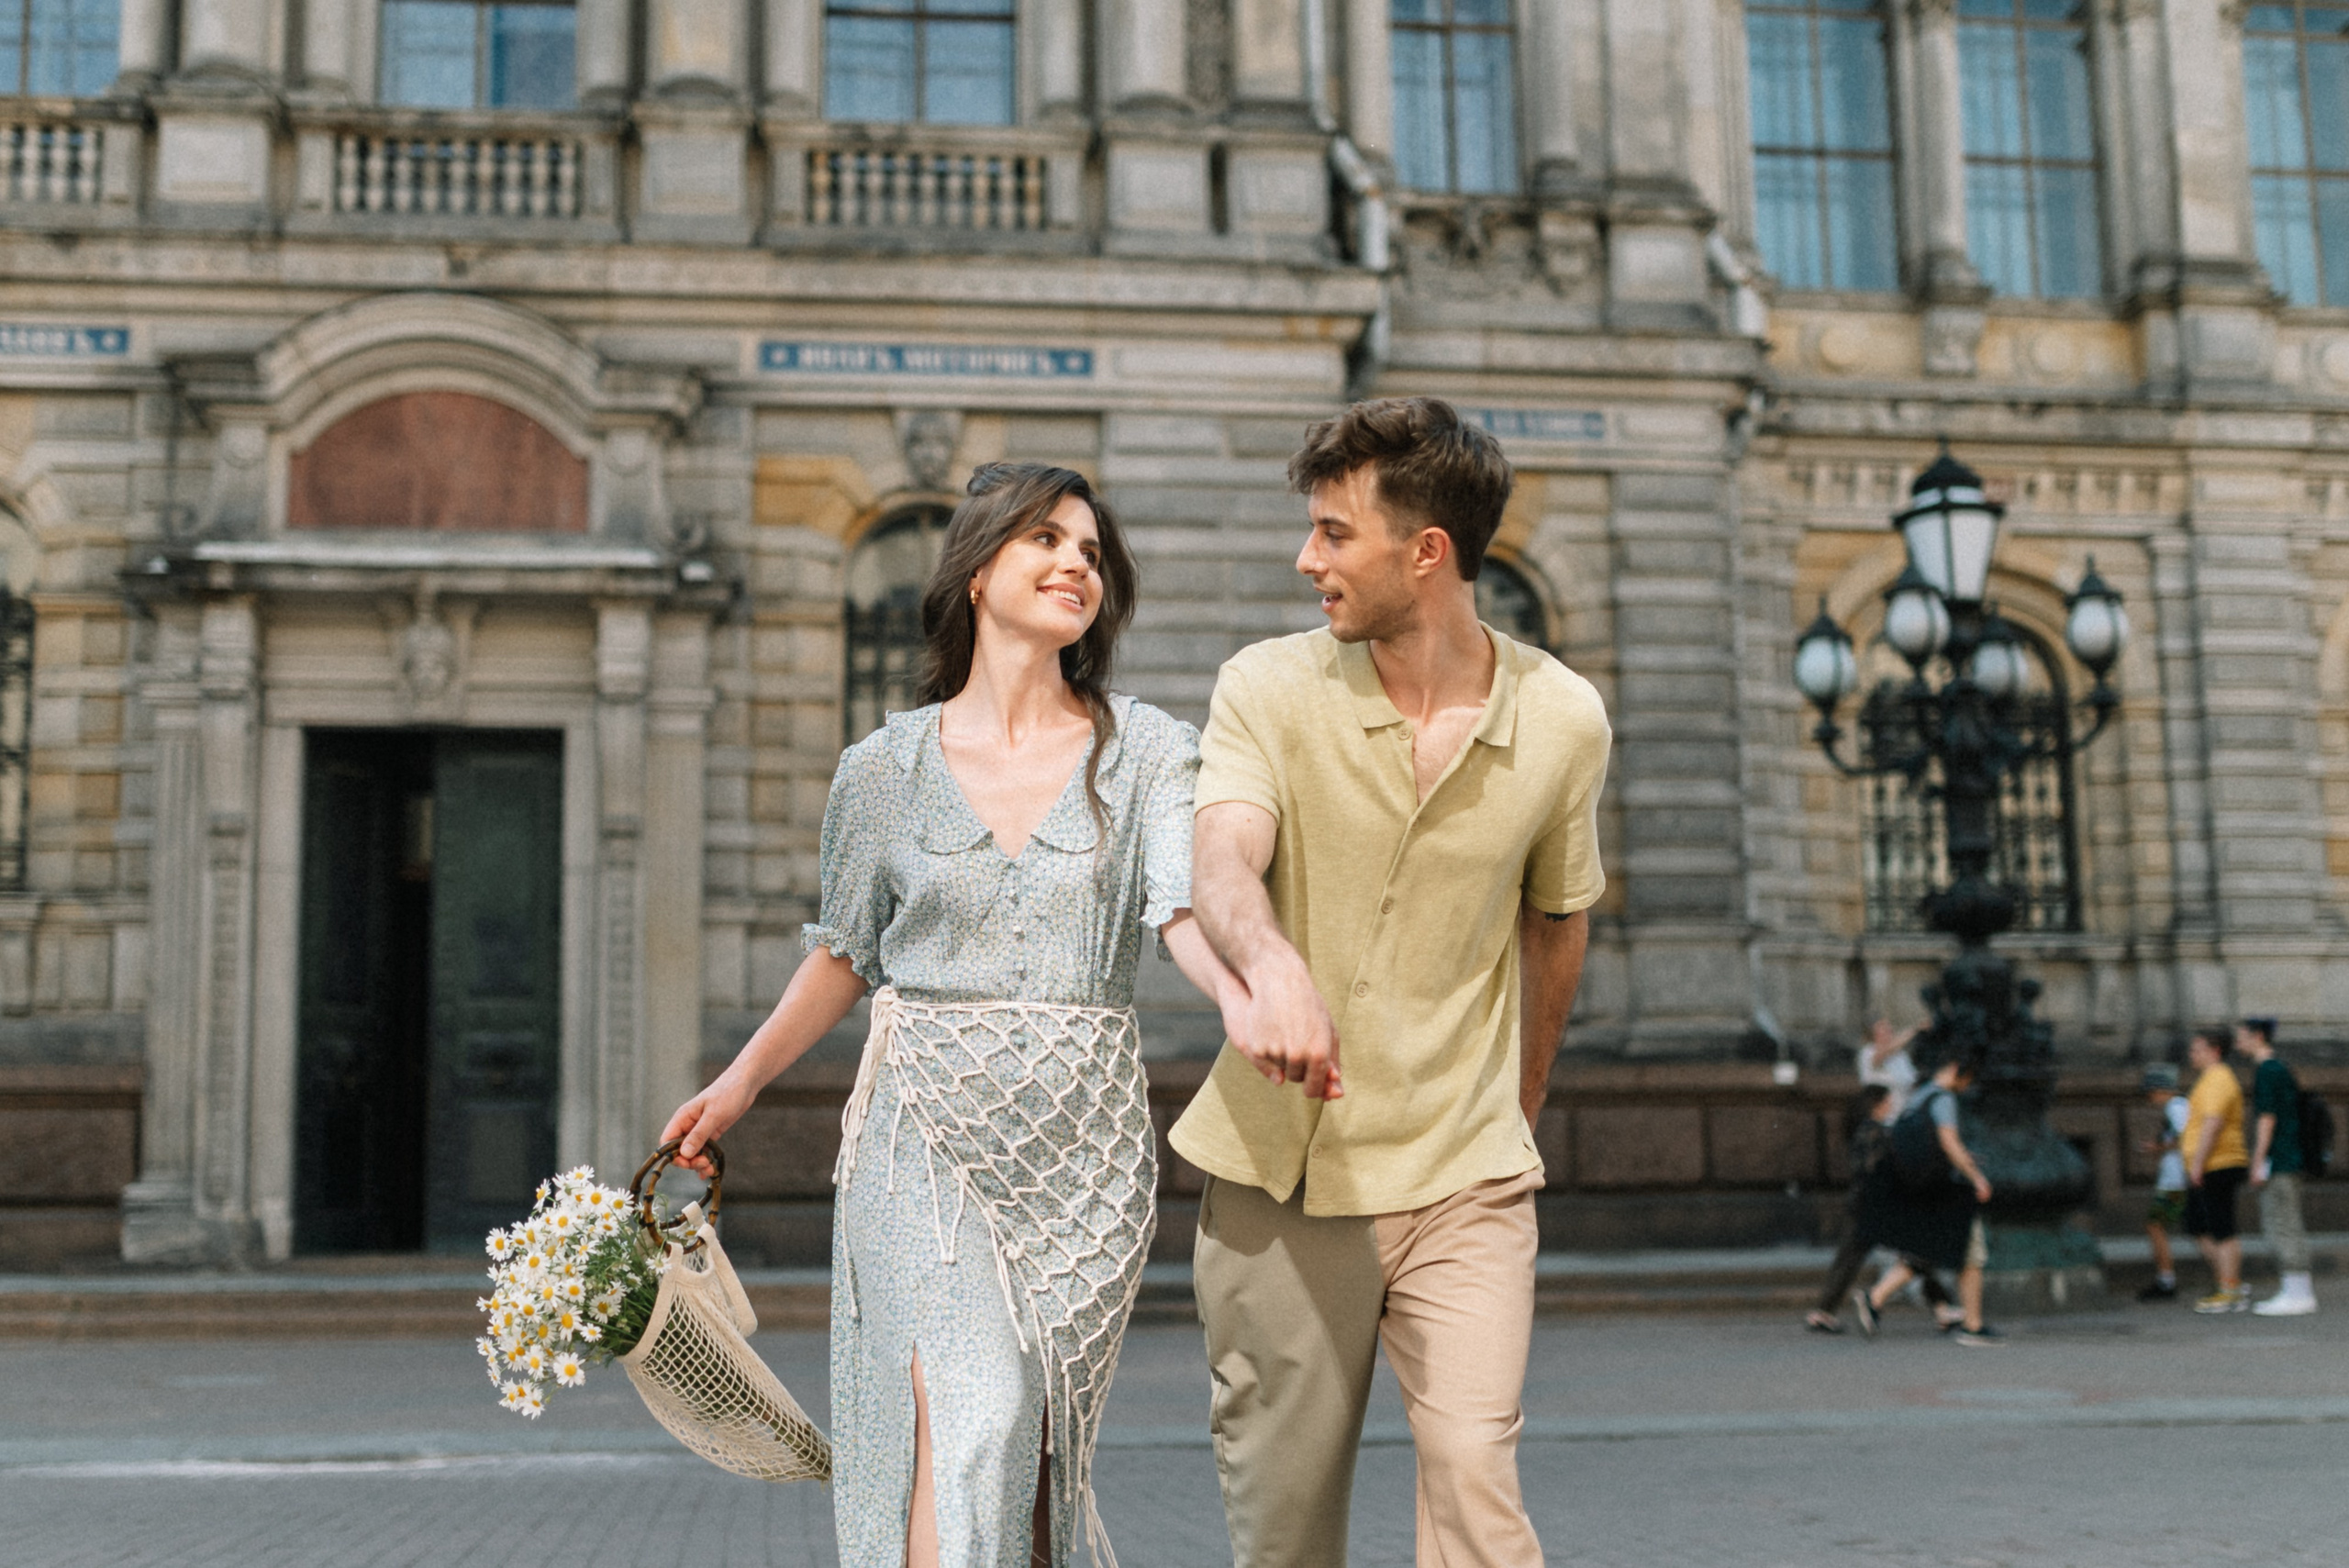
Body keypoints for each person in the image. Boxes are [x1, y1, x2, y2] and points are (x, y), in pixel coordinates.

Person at [659, 464, 1246, 1568]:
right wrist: (736, 1086)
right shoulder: (881, 768)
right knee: (964, 1419)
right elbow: (842, 953)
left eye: (1092, 550)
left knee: (1030, 1461)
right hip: (920, 1131)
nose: (1077, 562)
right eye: (1047, 540)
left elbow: (1181, 910)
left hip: (1085, 1152)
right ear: (979, 570)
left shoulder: (1151, 751)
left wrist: (1251, 1006)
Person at [1172, 397, 1609, 1568]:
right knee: (1286, 1526)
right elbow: (1221, 859)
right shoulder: (1266, 685)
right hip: (1284, 1176)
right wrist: (1269, 966)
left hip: (1465, 1176)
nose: (1306, 558)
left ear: (1427, 552)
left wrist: (1513, 1114)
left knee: (1474, 1470)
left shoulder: (1562, 718)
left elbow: (1556, 922)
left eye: (1332, 533)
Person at [1852, 1054, 2003, 1346]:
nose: (1966, 1087)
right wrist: (1976, 1177)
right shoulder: (1943, 1099)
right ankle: (1973, 1326)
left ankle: (1875, 1297)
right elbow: (1948, 1142)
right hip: (1946, 1189)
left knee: (1926, 1250)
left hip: (1920, 1186)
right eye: (1967, 1080)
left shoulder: (1918, 1098)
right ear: (1959, 1072)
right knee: (1971, 1253)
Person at [2239, 1018, 2318, 1317]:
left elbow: (2266, 1119)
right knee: (2287, 1223)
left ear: (2258, 1037)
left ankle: (2297, 1292)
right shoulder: (2279, 1068)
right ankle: (2297, 1289)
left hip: (2279, 1160)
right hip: (2288, 1157)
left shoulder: (2267, 1070)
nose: (2238, 1043)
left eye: (2242, 1037)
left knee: (2282, 1224)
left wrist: (2257, 1161)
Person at [2181, 1029, 2252, 1315]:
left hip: (2218, 1163)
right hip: (2208, 1164)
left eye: (2197, 1049)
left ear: (2215, 1050)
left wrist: (2198, 1163)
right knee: (2198, 1225)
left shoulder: (2219, 1079)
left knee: (2222, 1227)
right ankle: (2227, 1281)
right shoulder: (2208, 1079)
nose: (2192, 1054)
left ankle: (2230, 1288)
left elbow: (2213, 1123)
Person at [2135, 1062, 2190, 1302]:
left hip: (2175, 1181)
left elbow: (2185, 1139)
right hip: (2177, 1179)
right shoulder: (2180, 1106)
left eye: (2151, 1092)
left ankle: (2166, 1280)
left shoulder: (2176, 1107)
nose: (2150, 1098)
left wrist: (2156, 1147)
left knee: (2155, 1226)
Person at [1857, 1018, 1921, 1118]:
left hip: (1903, 1110)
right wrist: (1914, 1030)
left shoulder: (1901, 1056)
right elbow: (1883, 1054)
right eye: (1884, 1031)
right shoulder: (1868, 1052)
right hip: (1881, 1112)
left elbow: (1912, 1079)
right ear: (1874, 1035)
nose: (1888, 1034)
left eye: (1889, 1031)